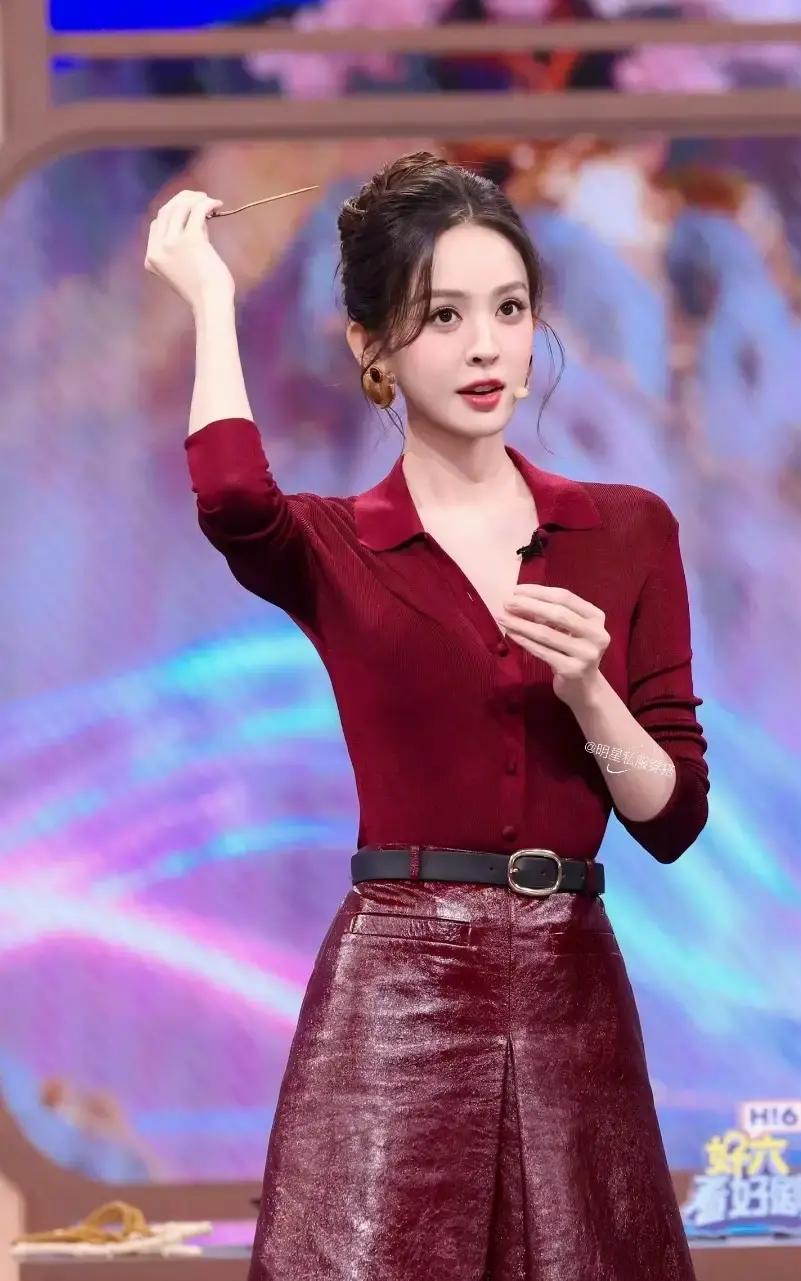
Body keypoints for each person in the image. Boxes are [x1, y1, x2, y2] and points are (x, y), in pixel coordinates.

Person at [144, 150, 709, 1281]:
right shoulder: (340, 547)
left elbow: (673, 817)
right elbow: (235, 499)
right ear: (373, 349)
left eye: (508, 309)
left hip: (570, 987)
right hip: (397, 989)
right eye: (442, 316)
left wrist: (590, 687)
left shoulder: (627, 530)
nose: (485, 346)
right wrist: (210, 298)